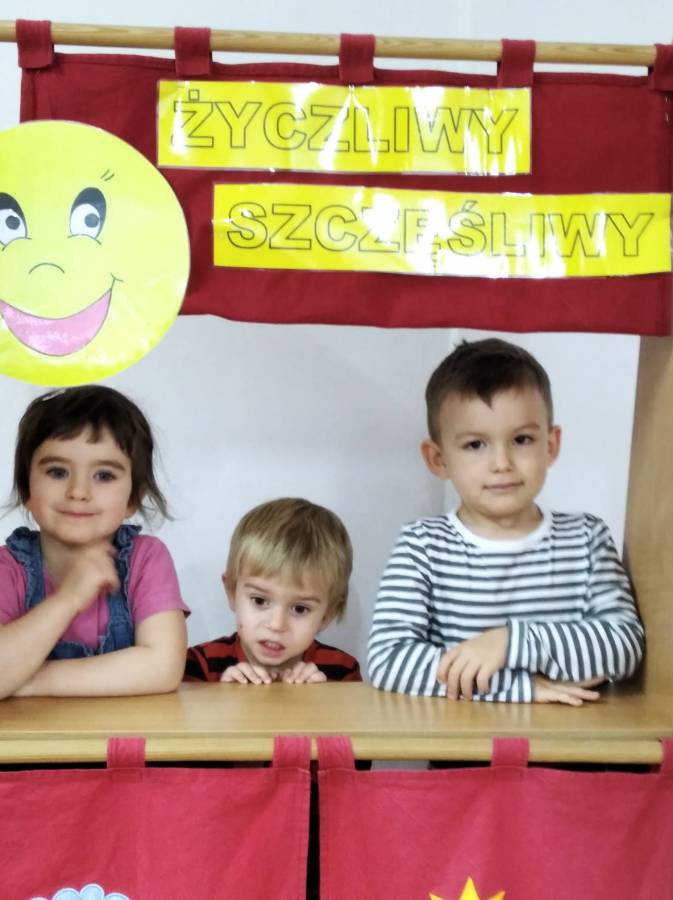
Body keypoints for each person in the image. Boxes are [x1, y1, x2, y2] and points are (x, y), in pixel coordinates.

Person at [367, 338, 644, 704]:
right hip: (464, 739)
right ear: (438, 459)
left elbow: (624, 646)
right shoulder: (422, 546)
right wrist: (521, 687)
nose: (502, 463)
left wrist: (511, 642)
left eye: (522, 439)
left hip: (572, 738)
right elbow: (389, 661)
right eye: (475, 445)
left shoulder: (586, 539)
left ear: (550, 445)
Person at [0, 385, 188, 699]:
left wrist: (30, 681)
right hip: (32, 733)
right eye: (57, 472)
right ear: (25, 489)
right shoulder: (8, 569)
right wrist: (69, 598)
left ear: (133, 498)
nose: (78, 491)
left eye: (104, 476)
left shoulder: (144, 559)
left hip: (126, 731)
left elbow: (163, 666)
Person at [185, 497, 361, 684]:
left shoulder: (341, 672)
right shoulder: (198, 665)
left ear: (327, 615)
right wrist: (221, 696)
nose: (276, 625)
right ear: (231, 592)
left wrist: (324, 698)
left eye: (300, 609)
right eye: (259, 601)